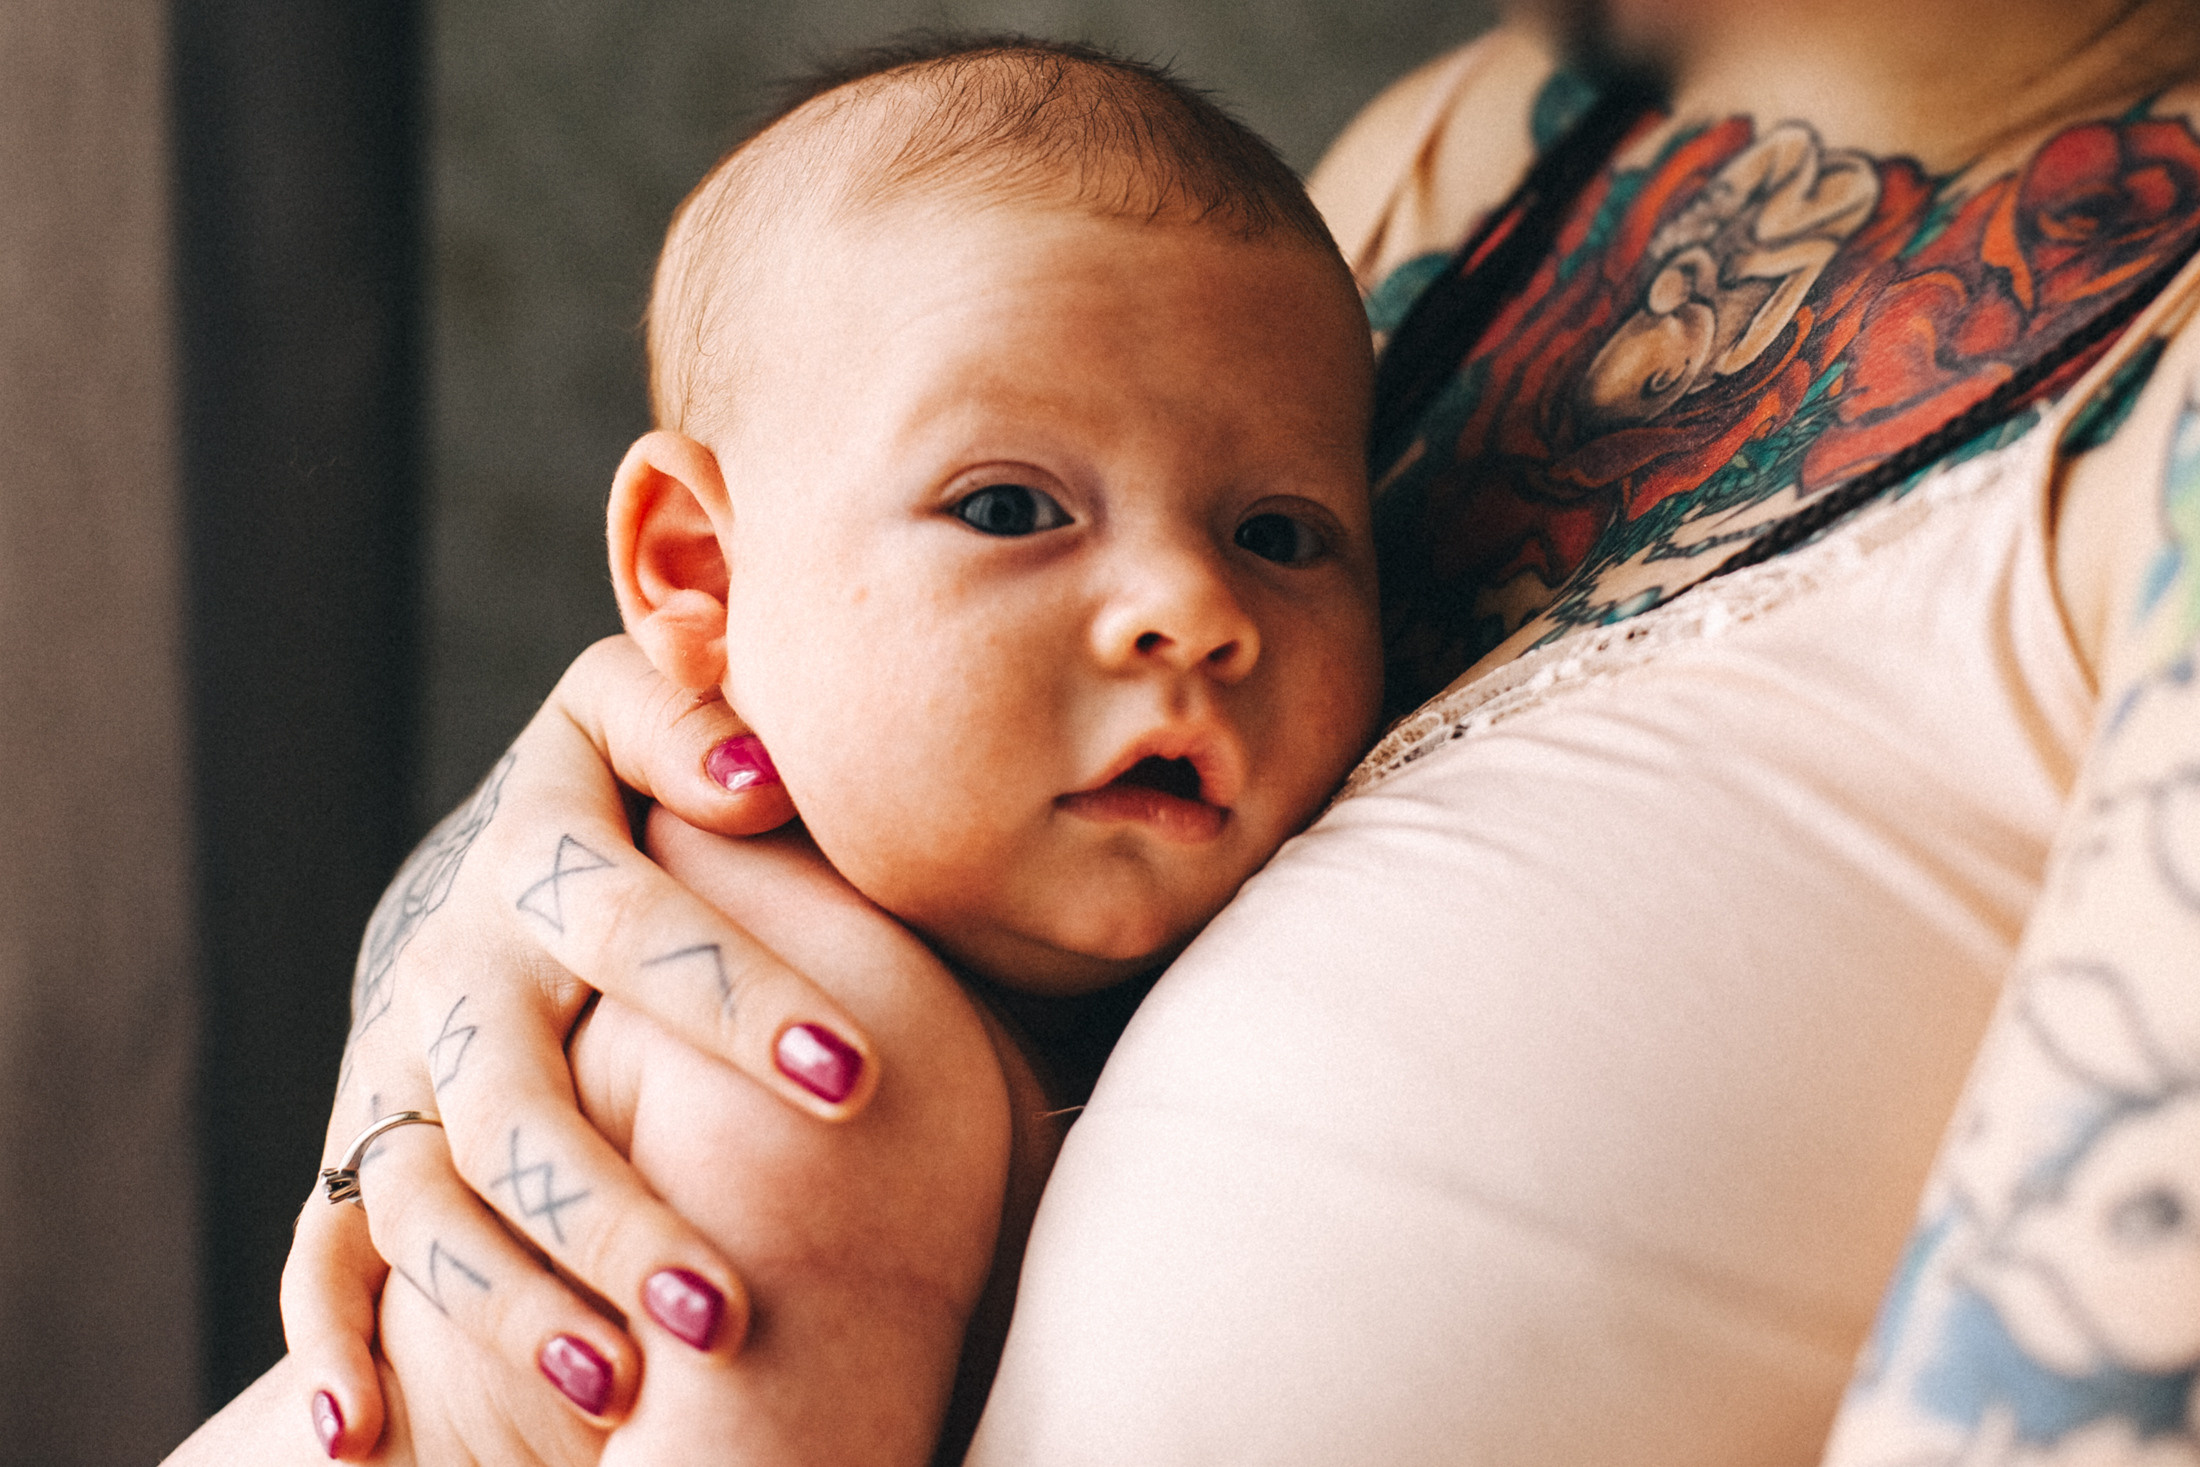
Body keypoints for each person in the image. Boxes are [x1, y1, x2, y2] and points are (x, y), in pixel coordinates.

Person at [178, 0, 2200, 1462]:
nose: (1191, 605)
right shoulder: (1479, 140)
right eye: (1012, 508)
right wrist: (489, 927)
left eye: (1275, 538)